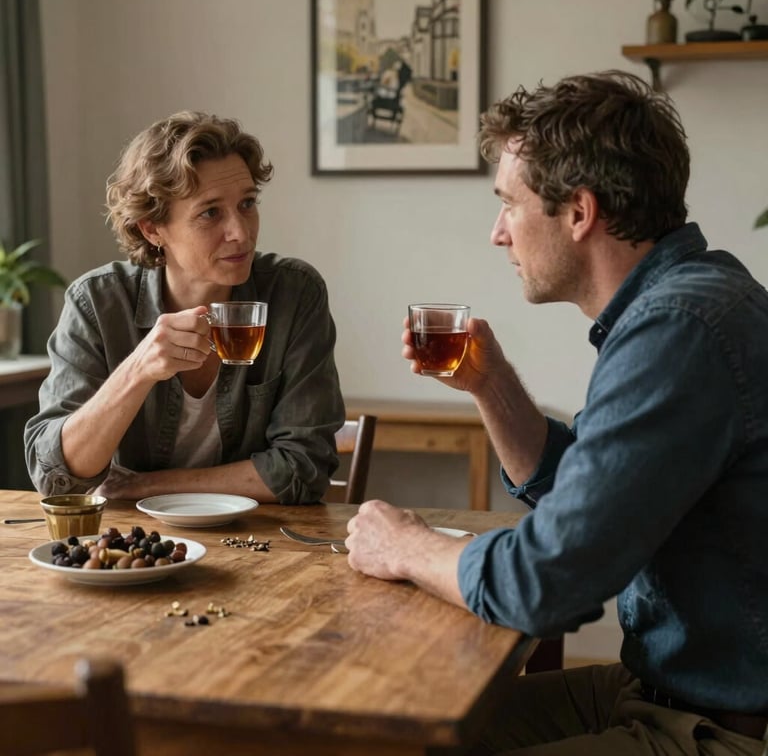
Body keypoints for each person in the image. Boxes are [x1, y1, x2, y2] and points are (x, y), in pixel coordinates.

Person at [344, 71, 768, 754]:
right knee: (387, 733)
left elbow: (543, 585)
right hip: (658, 691)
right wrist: (493, 386)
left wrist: (407, 547)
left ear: (579, 212)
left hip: (717, 731)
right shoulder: (684, 306)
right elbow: (591, 502)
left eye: (509, 205)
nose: (498, 234)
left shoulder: (681, 329)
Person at [25, 111, 345, 504]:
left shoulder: (293, 294)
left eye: (247, 203)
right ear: (152, 228)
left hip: (255, 539)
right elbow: (57, 477)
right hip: (130, 545)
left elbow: (303, 469)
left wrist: (147, 486)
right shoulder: (96, 303)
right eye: (210, 212)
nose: (241, 233)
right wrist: (139, 370)